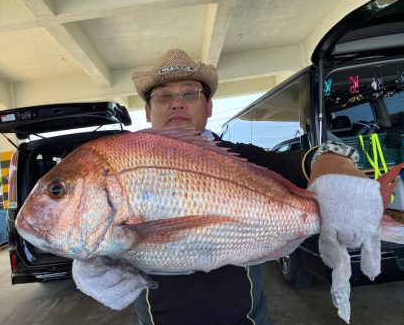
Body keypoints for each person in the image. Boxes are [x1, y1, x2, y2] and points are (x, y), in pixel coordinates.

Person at [128, 49, 384, 325]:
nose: (177, 104)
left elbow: (296, 162)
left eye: (189, 93)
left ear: (209, 106)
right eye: (164, 95)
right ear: (147, 110)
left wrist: (335, 161)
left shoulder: (241, 156)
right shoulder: (125, 164)